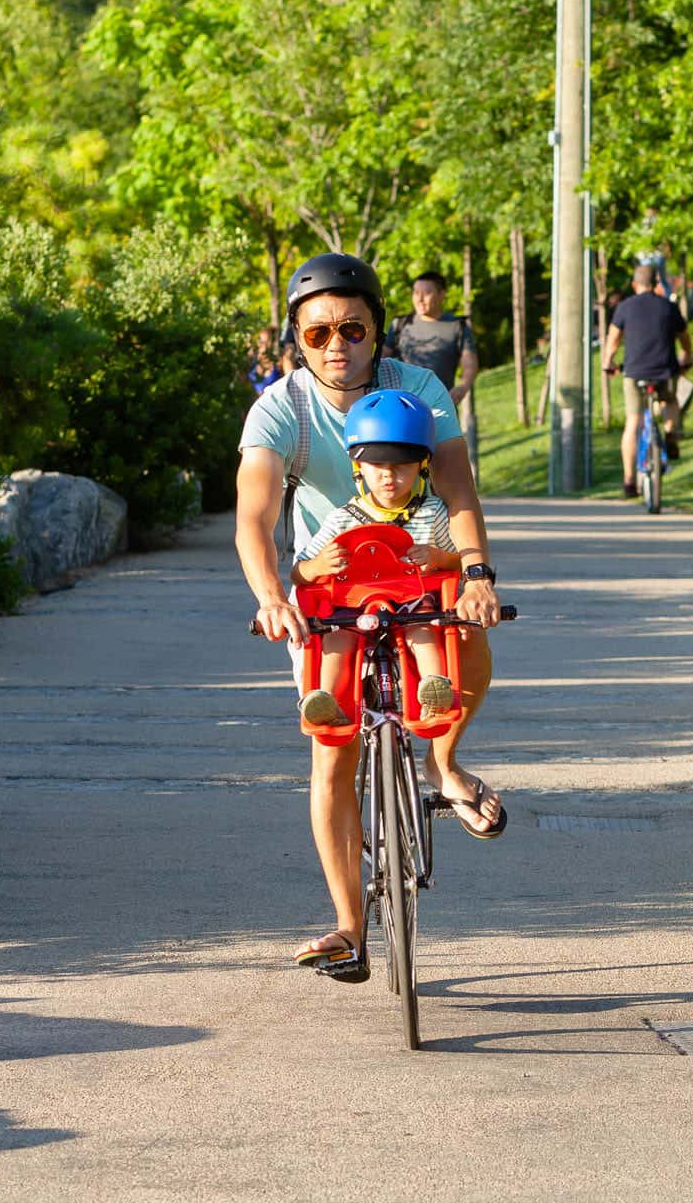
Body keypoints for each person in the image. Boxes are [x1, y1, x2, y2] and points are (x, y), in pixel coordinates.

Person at [235, 252, 504, 974]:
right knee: (331, 753)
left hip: (421, 567)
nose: (336, 346)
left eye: (352, 329)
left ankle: (445, 767)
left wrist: (475, 572)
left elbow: (457, 490)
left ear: (379, 332)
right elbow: (254, 521)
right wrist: (271, 599)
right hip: (328, 591)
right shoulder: (280, 409)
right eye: (317, 333)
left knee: (466, 637)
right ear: (296, 339)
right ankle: (350, 928)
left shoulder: (416, 388)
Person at [292, 389, 460, 726]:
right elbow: (300, 573)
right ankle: (327, 700)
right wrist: (319, 565)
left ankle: (433, 691)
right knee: (338, 639)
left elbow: (459, 563)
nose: (388, 475)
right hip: (353, 608)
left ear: (422, 465)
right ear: (358, 466)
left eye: (401, 465)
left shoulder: (433, 512)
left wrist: (438, 557)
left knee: (422, 629)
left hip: (411, 604)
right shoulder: (342, 519)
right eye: (377, 464)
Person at [603, 263, 693, 498]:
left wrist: (608, 363)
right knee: (671, 402)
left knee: (633, 422)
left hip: (633, 373)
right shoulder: (669, 307)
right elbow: (685, 339)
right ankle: (671, 434)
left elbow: (613, 341)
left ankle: (629, 481)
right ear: (656, 284)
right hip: (665, 370)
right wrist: (687, 358)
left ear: (635, 285)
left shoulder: (624, 308)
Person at [382, 271, 478, 407]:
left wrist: (463, 386)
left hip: (440, 409)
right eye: (416, 293)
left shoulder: (457, 326)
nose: (419, 299)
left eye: (426, 293)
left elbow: (469, 362)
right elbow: (381, 358)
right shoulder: (400, 324)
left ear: (442, 294)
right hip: (401, 409)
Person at [246, 326, 283, 395]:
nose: (264, 346)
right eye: (261, 341)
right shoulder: (251, 362)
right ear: (257, 342)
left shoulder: (279, 363)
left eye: (267, 342)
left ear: (273, 343)